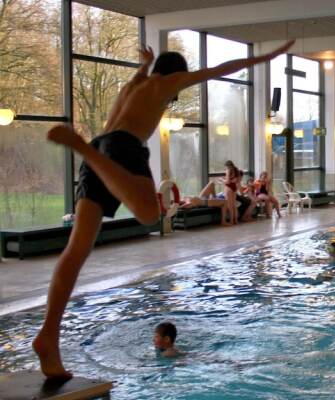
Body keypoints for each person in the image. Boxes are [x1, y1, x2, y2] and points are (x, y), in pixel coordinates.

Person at [34, 40, 295, 378]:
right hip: (120, 149)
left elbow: (141, 75)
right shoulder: (165, 82)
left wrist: (144, 64)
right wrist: (266, 57)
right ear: (177, 74)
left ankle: (48, 337)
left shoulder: (137, 82)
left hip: (103, 143)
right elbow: (218, 70)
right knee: (149, 215)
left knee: (77, 248)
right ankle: (83, 148)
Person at [220, 160, 240, 225]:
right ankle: (236, 220)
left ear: (227, 166)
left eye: (226, 167)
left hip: (228, 188)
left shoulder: (228, 170)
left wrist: (221, 180)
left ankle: (231, 221)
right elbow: (237, 180)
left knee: (229, 205)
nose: (225, 168)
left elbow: (228, 182)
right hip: (234, 188)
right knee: (234, 205)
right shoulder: (236, 170)